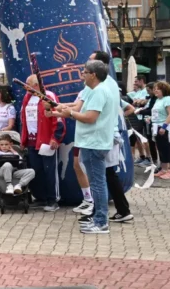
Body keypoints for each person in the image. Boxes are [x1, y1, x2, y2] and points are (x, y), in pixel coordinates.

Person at [58, 60, 117, 234]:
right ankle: (99, 218)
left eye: (84, 72)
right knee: (97, 183)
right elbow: (80, 110)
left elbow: (90, 117)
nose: (82, 74)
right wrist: (64, 110)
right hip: (92, 142)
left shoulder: (99, 91)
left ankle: (101, 222)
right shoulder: (94, 90)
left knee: (97, 184)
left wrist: (70, 112)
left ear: (93, 75)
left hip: (94, 142)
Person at [20, 74, 64, 212]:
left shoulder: (48, 96)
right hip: (32, 140)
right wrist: (23, 139)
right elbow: (24, 119)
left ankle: (53, 200)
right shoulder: (27, 98)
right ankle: (40, 197)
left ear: (36, 85)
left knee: (49, 171)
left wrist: (55, 138)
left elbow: (58, 119)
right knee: (35, 170)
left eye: (28, 84)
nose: (25, 86)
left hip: (46, 140)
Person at [149, 81, 170, 179]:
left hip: (166, 128)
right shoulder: (158, 100)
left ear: (164, 90)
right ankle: (164, 169)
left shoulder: (168, 99)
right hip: (157, 127)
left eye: (158, 89)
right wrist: (150, 119)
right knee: (161, 149)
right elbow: (158, 114)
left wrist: (164, 126)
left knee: (169, 149)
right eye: (154, 89)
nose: (155, 90)